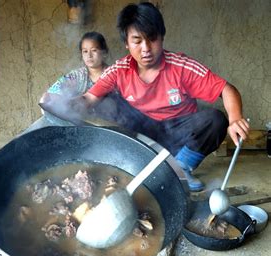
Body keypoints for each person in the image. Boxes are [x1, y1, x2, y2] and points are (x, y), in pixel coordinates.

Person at [72, 3, 249, 192]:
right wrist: (67, 105)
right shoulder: (119, 70)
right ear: (127, 43)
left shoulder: (181, 66)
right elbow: (90, 97)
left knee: (216, 120)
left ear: (162, 38)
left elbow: (226, 89)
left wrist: (235, 119)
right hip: (142, 135)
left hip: (179, 136)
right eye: (137, 41)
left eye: (152, 38)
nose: (146, 48)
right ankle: (132, 162)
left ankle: (181, 168)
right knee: (106, 103)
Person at [25, 31, 111, 132]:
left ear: (104, 52)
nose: (89, 55)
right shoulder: (78, 76)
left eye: (94, 50)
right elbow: (47, 98)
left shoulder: (114, 74)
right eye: (85, 51)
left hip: (109, 128)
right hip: (81, 128)